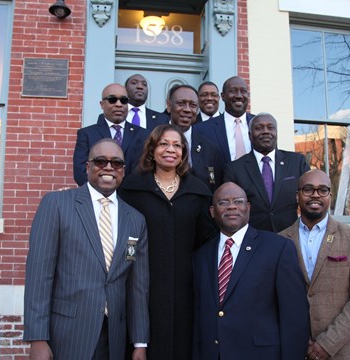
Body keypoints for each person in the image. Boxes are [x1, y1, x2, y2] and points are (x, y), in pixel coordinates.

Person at [25, 139, 149, 360]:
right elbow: (39, 276)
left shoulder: (135, 219)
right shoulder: (57, 204)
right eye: (101, 161)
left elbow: (138, 287)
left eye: (117, 163)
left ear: (123, 170)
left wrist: (140, 342)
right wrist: (37, 338)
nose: (109, 167)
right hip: (66, 334)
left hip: (113, 338)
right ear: (88, 166)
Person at [118, 124, 216, 360]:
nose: (170, 149)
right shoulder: (131, 189)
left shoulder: (199, 191)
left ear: (183, 152)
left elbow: (207, 240)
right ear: (151, 150)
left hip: (187, 289)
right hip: (142, 287)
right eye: (163, 144)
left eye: (177, 145)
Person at [193, 182, 310, 359]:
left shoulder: (278, 248)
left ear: (248, 207)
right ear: (212, 211)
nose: (231, 206)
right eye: (223, 202)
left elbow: (295, 316)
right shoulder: (201, 256)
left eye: (238, 201)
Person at [279, 170, 350, 360]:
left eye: (323, 190)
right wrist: (300, 340)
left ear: (330, 195)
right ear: (297, 195)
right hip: (296, 351)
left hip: (345, 351)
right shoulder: (280, 241)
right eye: (308, 189)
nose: (315, 194)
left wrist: (327, 343)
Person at [224, 112, 309, 232]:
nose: (265, 131)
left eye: (270, 127)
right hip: (253, 240)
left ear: (276, 133)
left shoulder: (297, 162)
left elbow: (309, 199)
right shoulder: (234, 169)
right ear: (249, 135)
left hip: (291, 237)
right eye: (258, 128)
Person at [73, 83, 149, 185]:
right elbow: (80, 172)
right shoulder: (87, 134)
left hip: (132, 197)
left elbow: (145, 169)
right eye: (112, 100)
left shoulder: (143, 134)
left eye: (124, 100)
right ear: (102, 104)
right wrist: (101, 193)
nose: (119, 104)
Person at [168, 84, 223, 191]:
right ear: (169, 105)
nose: (187, 110)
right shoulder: (153, 141)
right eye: (181, 103)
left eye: (193, 105)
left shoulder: (210, 149)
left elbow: (213, 183)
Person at [194, 76, 254, 164]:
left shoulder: (259, 124)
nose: (239, 95)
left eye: (243, 91)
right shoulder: (202, 129)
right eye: (233, 91)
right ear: (222, 96)